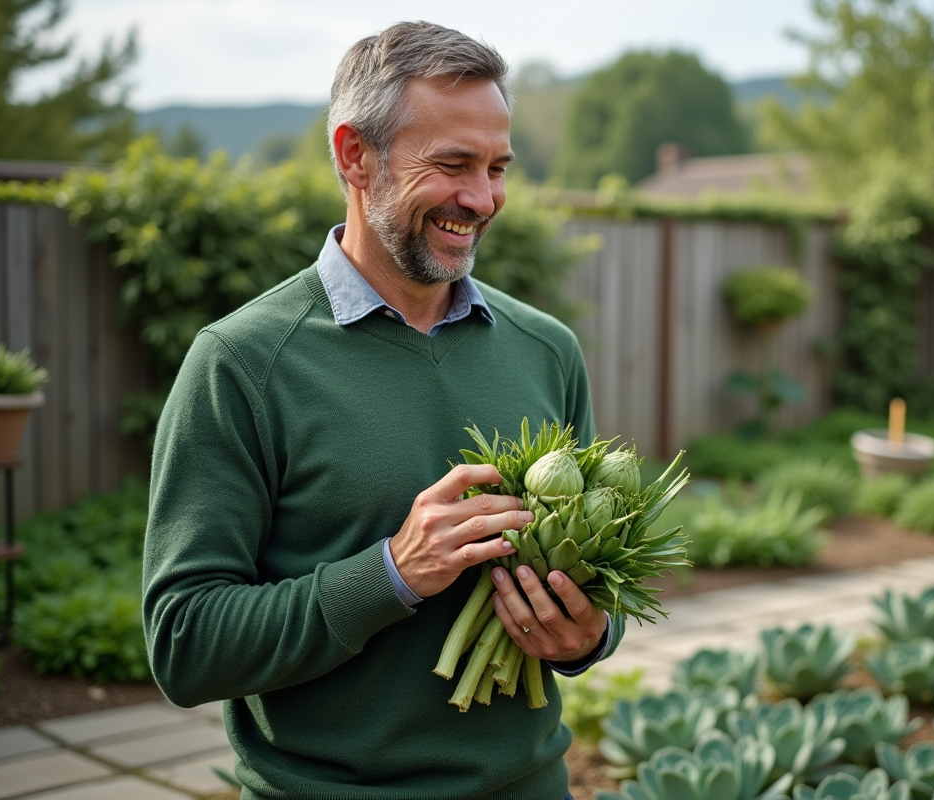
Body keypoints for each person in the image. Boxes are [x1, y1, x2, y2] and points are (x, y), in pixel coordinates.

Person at [142, 21, 623, 800]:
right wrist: (391, 574)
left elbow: (597, 585)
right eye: (453, 164)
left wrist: (591, 634)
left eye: (498, 167)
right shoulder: (241, 364)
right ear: (354, 156)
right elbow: (185, 646)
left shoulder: (547, 349)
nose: (483, 198)